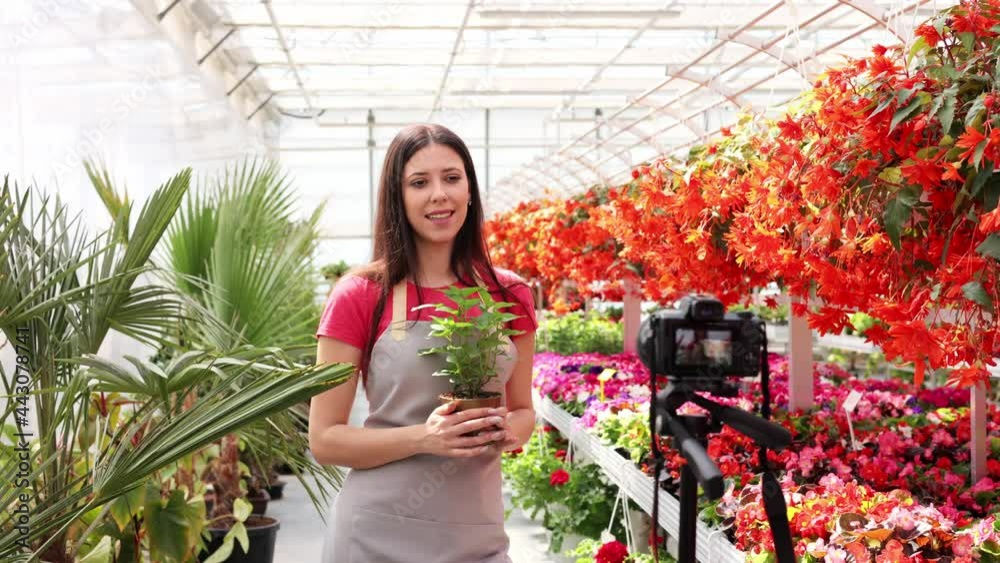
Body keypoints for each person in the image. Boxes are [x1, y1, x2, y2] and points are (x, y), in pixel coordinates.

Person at [309, 123, 537, 563]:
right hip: (374, 535)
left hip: (477, 535)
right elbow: (325, 439)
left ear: (469, 190)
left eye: (451, 178)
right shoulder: (360, 295)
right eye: (419, 182)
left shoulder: (509, 294)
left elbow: (523, 410)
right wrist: (425, 438)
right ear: (397, 197)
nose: (439, 194)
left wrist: (504, 433)